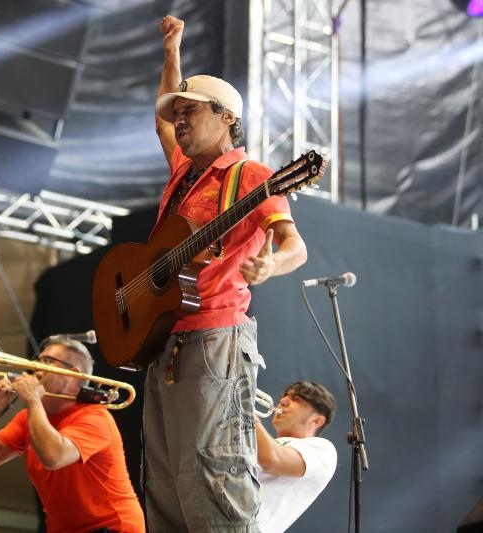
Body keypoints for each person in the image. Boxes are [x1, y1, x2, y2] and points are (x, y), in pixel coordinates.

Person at [144, 15, 309, 532]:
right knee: (166, 482)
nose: (181, 121)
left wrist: (271, 264)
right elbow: (160, 119)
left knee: (210, 473)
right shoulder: (182, 175)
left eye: (191, 112)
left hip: (214, 336)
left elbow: (294, 246)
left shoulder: (251, 176)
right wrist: (172, 50)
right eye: (180, 114)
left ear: (225, 117)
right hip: (164, 337)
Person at [0, 335, 145, 533]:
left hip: (112, 528)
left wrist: (33, 400)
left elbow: (54, 457)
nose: (34, 367)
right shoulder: (29, 417)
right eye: (37, 360)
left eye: (46, 361)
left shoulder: (95, 417)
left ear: (73, 375)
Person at [256, 381, 338, 532]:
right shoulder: (265, 444)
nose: (283, 401)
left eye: (296, 399)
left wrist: (248, 416)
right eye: (285, 395)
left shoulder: (322, 449)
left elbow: (273, 461)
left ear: (317, 420)